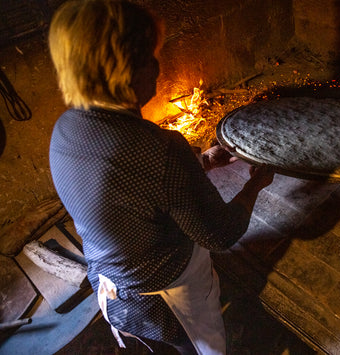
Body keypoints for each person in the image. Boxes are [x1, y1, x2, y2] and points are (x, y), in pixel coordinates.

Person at [47, 1, 274, 354]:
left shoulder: (65, 129)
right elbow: (219, 233)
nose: (157, 66)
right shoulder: (159, 148)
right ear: (124, 70)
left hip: (111, 289)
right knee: (191, 345)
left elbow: (133, 189)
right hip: (165, 296)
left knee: (159, 344)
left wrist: (202, 161)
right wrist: (253, 186)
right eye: (150, 57)